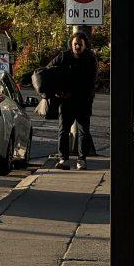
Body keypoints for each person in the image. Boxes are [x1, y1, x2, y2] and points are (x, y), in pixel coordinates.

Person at [47, 32, 98, 170]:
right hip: (66, 102)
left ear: (85, 45)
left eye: (80, 44)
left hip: (83, 102)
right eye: (75, 43)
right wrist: (56, 90)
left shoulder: (90, 59)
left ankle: (81, 160)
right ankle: (63, 159)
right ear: (71, 44)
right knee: (63, 131)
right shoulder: (64, 57)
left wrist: (89, 95)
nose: (77, 46)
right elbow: (47, 71)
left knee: (83, 132)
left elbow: (92, 81)